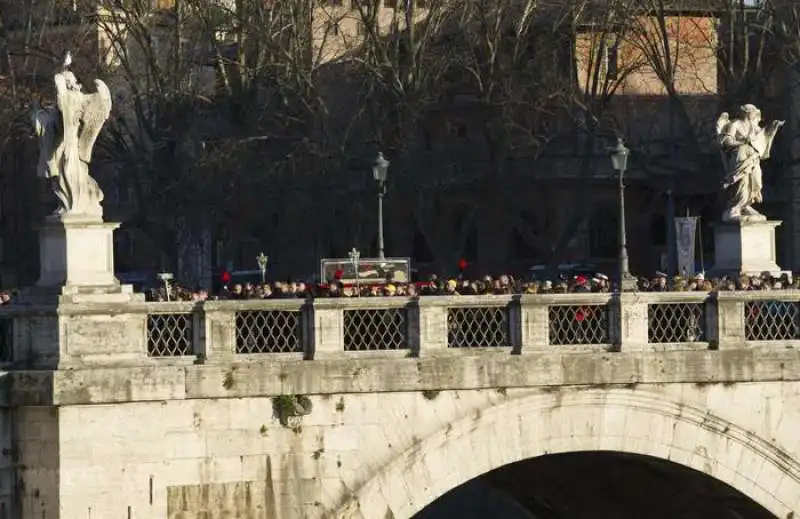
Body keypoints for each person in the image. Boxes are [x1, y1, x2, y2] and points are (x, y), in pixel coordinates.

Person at [716, 104, 784, 222]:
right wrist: (742, 143)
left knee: (756, 181)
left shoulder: (754, 126)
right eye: (753, 112)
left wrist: (773, 127)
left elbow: (763, 136)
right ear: (746, 113)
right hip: (740, 157)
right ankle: (736, 207)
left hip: (753, 158)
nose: (755, 114)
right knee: (742, 182)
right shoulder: (735, 124)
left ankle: (747, 205)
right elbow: (727, 141)